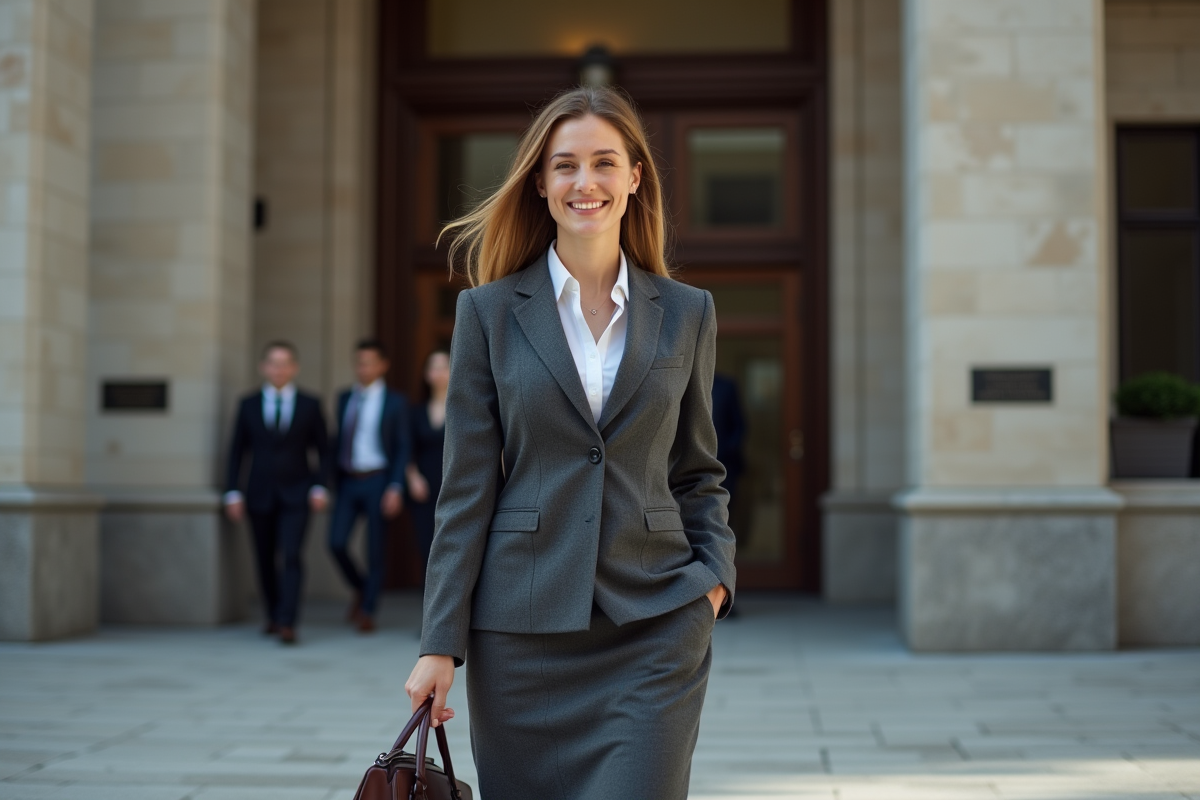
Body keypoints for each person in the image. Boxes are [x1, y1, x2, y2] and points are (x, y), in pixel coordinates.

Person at [405, 86, 736, 800]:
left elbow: (698, 471)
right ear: (539, 182)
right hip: (522, 634)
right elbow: (466, 490)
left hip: (653, 624)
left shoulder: (687, 312)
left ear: (635, 177)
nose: (585, 183)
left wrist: (712, 586)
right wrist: (440, 643)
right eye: (565, 166)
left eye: (604, 163)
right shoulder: (487, 314)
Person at [225, 342, 330, 645]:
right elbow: (236, 451)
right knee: (264, 557)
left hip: (298, 493)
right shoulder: (247, 404)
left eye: (285, 363)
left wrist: (320, 486)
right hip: (258, 494)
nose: (279, 369)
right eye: (273, 363)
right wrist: (232, 491)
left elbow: (324, 450)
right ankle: (272, 614)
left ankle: (288, 621)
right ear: (264, 367)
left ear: (294, 367)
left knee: (292, 555)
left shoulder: (310, 404)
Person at [327, 339, 411, 633]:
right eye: (358, 361)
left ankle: (368, 610)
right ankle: (362, 587)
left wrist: (395, 487)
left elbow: (402, 447)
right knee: (336, 543)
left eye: (368, 362)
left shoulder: (396, 402)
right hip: (348, 481)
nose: (362, 367)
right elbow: (335, 443)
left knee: (376, 550)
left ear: (382, 365)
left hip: (378, 480)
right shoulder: (343, 398)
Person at [405, 350, 449, 569]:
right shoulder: (416, 412)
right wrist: (413, 479)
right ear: (426, 374)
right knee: (426, 547)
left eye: (444, 367)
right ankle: (427, 602)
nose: (439, 373)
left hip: (454, 485)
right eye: (434, 367)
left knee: (451, 546)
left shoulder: (464, 408)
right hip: (423, 487)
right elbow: (407, 449)